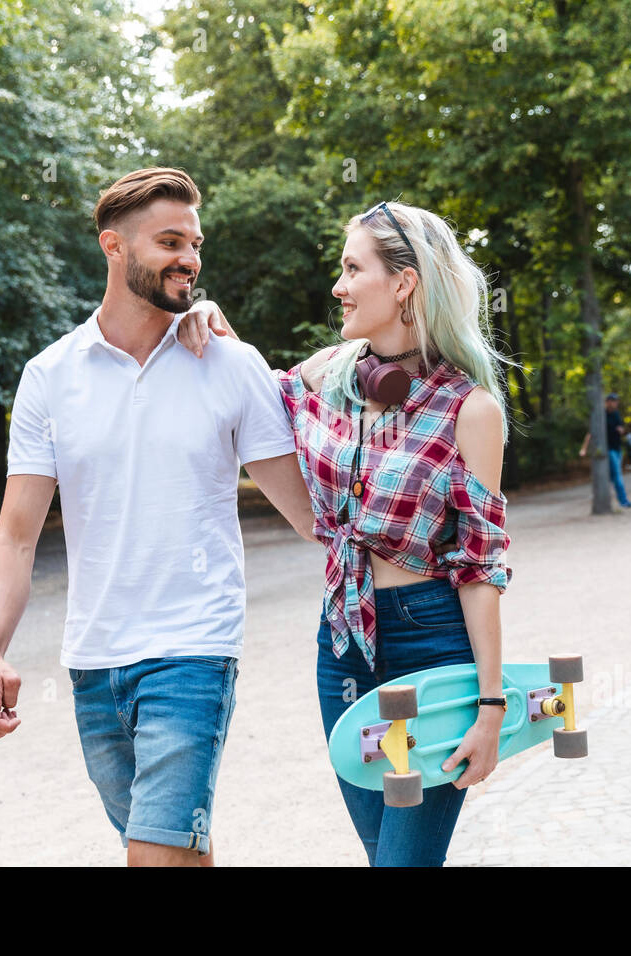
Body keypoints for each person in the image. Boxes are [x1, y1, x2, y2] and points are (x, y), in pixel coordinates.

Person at [0, 167, 317, 867]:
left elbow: (314, 515)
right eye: (169, 241)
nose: (189, 258)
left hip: (193, 651)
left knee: (154, 856)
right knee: (179, 852)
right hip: (94, 664)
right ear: (114, 247)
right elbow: (14, 536)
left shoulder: (230, 363)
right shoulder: (50, 377)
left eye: (195, 243)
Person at [178, 200, 512, 867]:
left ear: (404, 283)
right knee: (382, 853)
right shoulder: (329, 373)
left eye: (352, 268)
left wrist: (492, 706)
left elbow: (480, 569)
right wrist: (217, 328)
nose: (338, 285)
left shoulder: (471, 412)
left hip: (431, 645)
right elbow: (254, 403)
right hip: (342, 646)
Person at [578, 393, 631, 508]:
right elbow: (591, 433)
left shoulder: (617, 414)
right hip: (608, 450)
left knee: (611, 475)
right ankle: (623, 500)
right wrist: (584, 448)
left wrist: (622, 430)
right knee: (617, 475)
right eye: (613, 401)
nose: (615, 403)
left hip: (618, 448)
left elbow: (622, 430)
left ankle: (599, 494)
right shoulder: (601, 415)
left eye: (616, 401)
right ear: (607, 402)